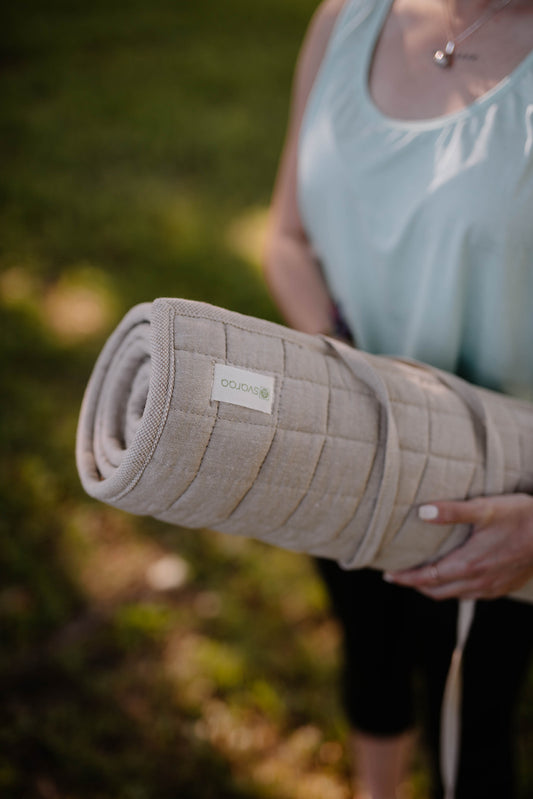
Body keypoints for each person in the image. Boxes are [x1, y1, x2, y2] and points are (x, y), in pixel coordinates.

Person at [262, 0, 533, 797]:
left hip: (494, 488)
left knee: (472, 733)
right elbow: (286, 237)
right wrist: (345, 376)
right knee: (368, 652)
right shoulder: (345, 19)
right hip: (343, 441)